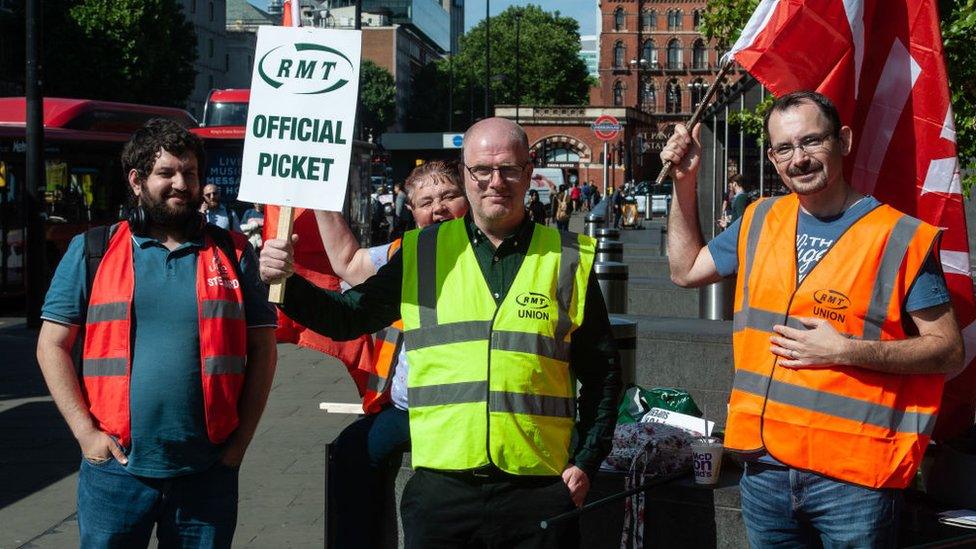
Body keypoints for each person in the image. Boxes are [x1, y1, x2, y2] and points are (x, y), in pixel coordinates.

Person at [261, 117, 621, 548]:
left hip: (538, 486)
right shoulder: (420, 251)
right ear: (467, 174)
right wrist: (287, 284)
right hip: (442, 491)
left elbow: (603, 374)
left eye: (508, 169)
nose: (495, 182)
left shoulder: (568, 257)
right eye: (481, 171)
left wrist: (587, 461)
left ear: (528, 172)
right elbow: (347, 317)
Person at [662, 91, 963, 547]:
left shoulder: (899, 237)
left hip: (854, 479)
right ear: (771, 157)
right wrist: (685, 183)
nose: (798, 159)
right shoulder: (758, 219)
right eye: (784, 148)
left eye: (811, 142)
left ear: (842, 140)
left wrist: (846, 349)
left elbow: (948, 349)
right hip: (764, 469)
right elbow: (685, 270)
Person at [35, 119, 278, 548]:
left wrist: (239, 446)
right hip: (115, 471)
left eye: (190, 173)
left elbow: (263, 350)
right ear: (137, 180)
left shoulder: (234, 252)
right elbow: (51, 346)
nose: (181, 184)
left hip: (207, 470)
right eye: (166, 173)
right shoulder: (94, 250)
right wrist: (85, 434)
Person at [307, 160, 468, 548]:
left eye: (448, 196)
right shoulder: (403, 252)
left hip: (464, 411)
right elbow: (348, 263)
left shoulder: (485, 249)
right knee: (351, 453)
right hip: (408, 408)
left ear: (469, 199)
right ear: (411, 213)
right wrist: (318, 197)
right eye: (425, 201)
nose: (438, 208)